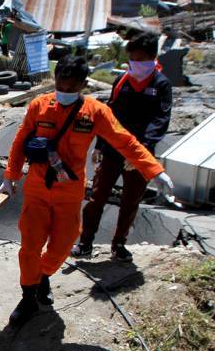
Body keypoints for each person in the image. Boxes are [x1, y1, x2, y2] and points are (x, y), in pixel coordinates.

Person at [0, 55, 173, 327]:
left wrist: (154, 170)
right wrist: (10, 175)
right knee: (30, 246)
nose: (64, 92)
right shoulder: (39, 105)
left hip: (69, 191)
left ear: (82, 85)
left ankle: (43, 274)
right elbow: (20, 140)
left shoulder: (95, 112)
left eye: (71, 89)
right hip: (37, 188)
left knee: (63, 246)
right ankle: (28, 297)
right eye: (60, 86)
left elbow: (125, 141)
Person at [71, 32, 173, 262]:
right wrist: (99, 145)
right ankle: (85, 242)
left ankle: (119, 245)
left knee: (130, 200)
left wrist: (141, 151)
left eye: (140, 59)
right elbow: (109, 116)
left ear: (152, 57)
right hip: (113, 150)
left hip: (141, 151)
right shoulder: (122, 82)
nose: (136, 64)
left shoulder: (161, 85)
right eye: (133, 59)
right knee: (97, 196)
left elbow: (160, 120)